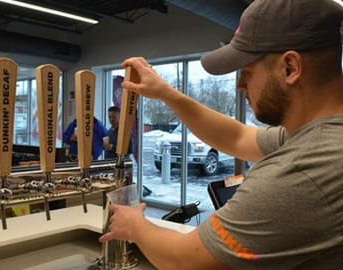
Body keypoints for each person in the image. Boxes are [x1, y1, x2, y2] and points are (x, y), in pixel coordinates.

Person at [99, 0, 343, 269]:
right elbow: (237, 137)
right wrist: (166, 93)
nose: (240, 86)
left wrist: (135, 226)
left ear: (290, 68)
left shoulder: (303, 169)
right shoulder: (322, 135)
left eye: (247, 72)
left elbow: (185, 261)